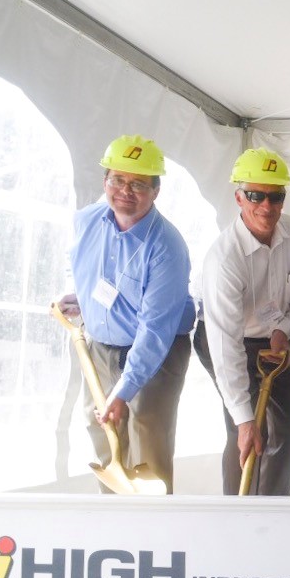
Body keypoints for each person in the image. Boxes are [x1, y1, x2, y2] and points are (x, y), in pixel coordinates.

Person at [63, 134, 195, 493]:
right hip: (102, 345)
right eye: (117, 180)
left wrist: (124, 392)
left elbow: (155, 330)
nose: (125, 190)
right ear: (105, 181)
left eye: (138, 183)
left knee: (147, 429)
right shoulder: (87, 222)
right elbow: (80, 268)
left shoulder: (167, 246)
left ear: (155, 191)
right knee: (102, 426)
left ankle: (154, 530)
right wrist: (81, 298)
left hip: (158, 349)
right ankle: (116, 518)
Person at [195, 148, 290, 495]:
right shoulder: (223, 260)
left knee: (288, 420)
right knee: (245, 430)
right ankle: (236, 510)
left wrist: (283, 329)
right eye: (255, 195)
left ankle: (274, 507)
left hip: (277, 338)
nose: (266, 205)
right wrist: (244, 419)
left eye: (275, 196)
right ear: (239, 197)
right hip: (227, 339)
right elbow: (224, 345)